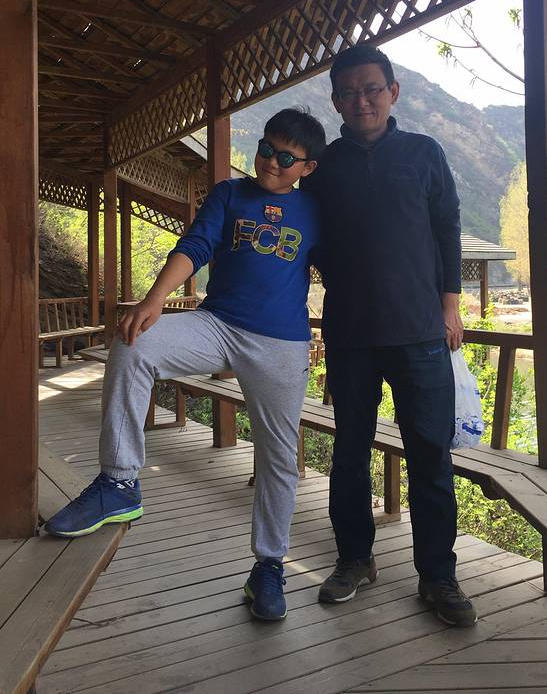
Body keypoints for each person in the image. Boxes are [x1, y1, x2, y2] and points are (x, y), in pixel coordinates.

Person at [44, 108, 326, 622]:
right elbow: (195, 246)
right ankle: (119, 482)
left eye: (286, 158)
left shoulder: (316, 210)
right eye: (266, 148)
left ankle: (268, 566)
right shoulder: (229, 194)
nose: (271, 161)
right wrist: (154, 298)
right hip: (216, 324)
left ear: (307, 168)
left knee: (278, 457)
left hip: (281, 343)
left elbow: (344, 268)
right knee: (135, 343)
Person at [304, 45, 477, 627]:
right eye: (349, 93)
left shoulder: (424, 153)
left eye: (372, 89)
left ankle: (438, 576)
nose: (362, 101)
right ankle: (354, 559)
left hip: (421, 334)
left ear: (393, 92)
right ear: (336, 102)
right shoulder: (324, 167)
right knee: (349, 454)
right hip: (350, 335)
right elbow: (306, 240)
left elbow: (448, 228)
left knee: (430, 458)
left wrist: (450, 305)